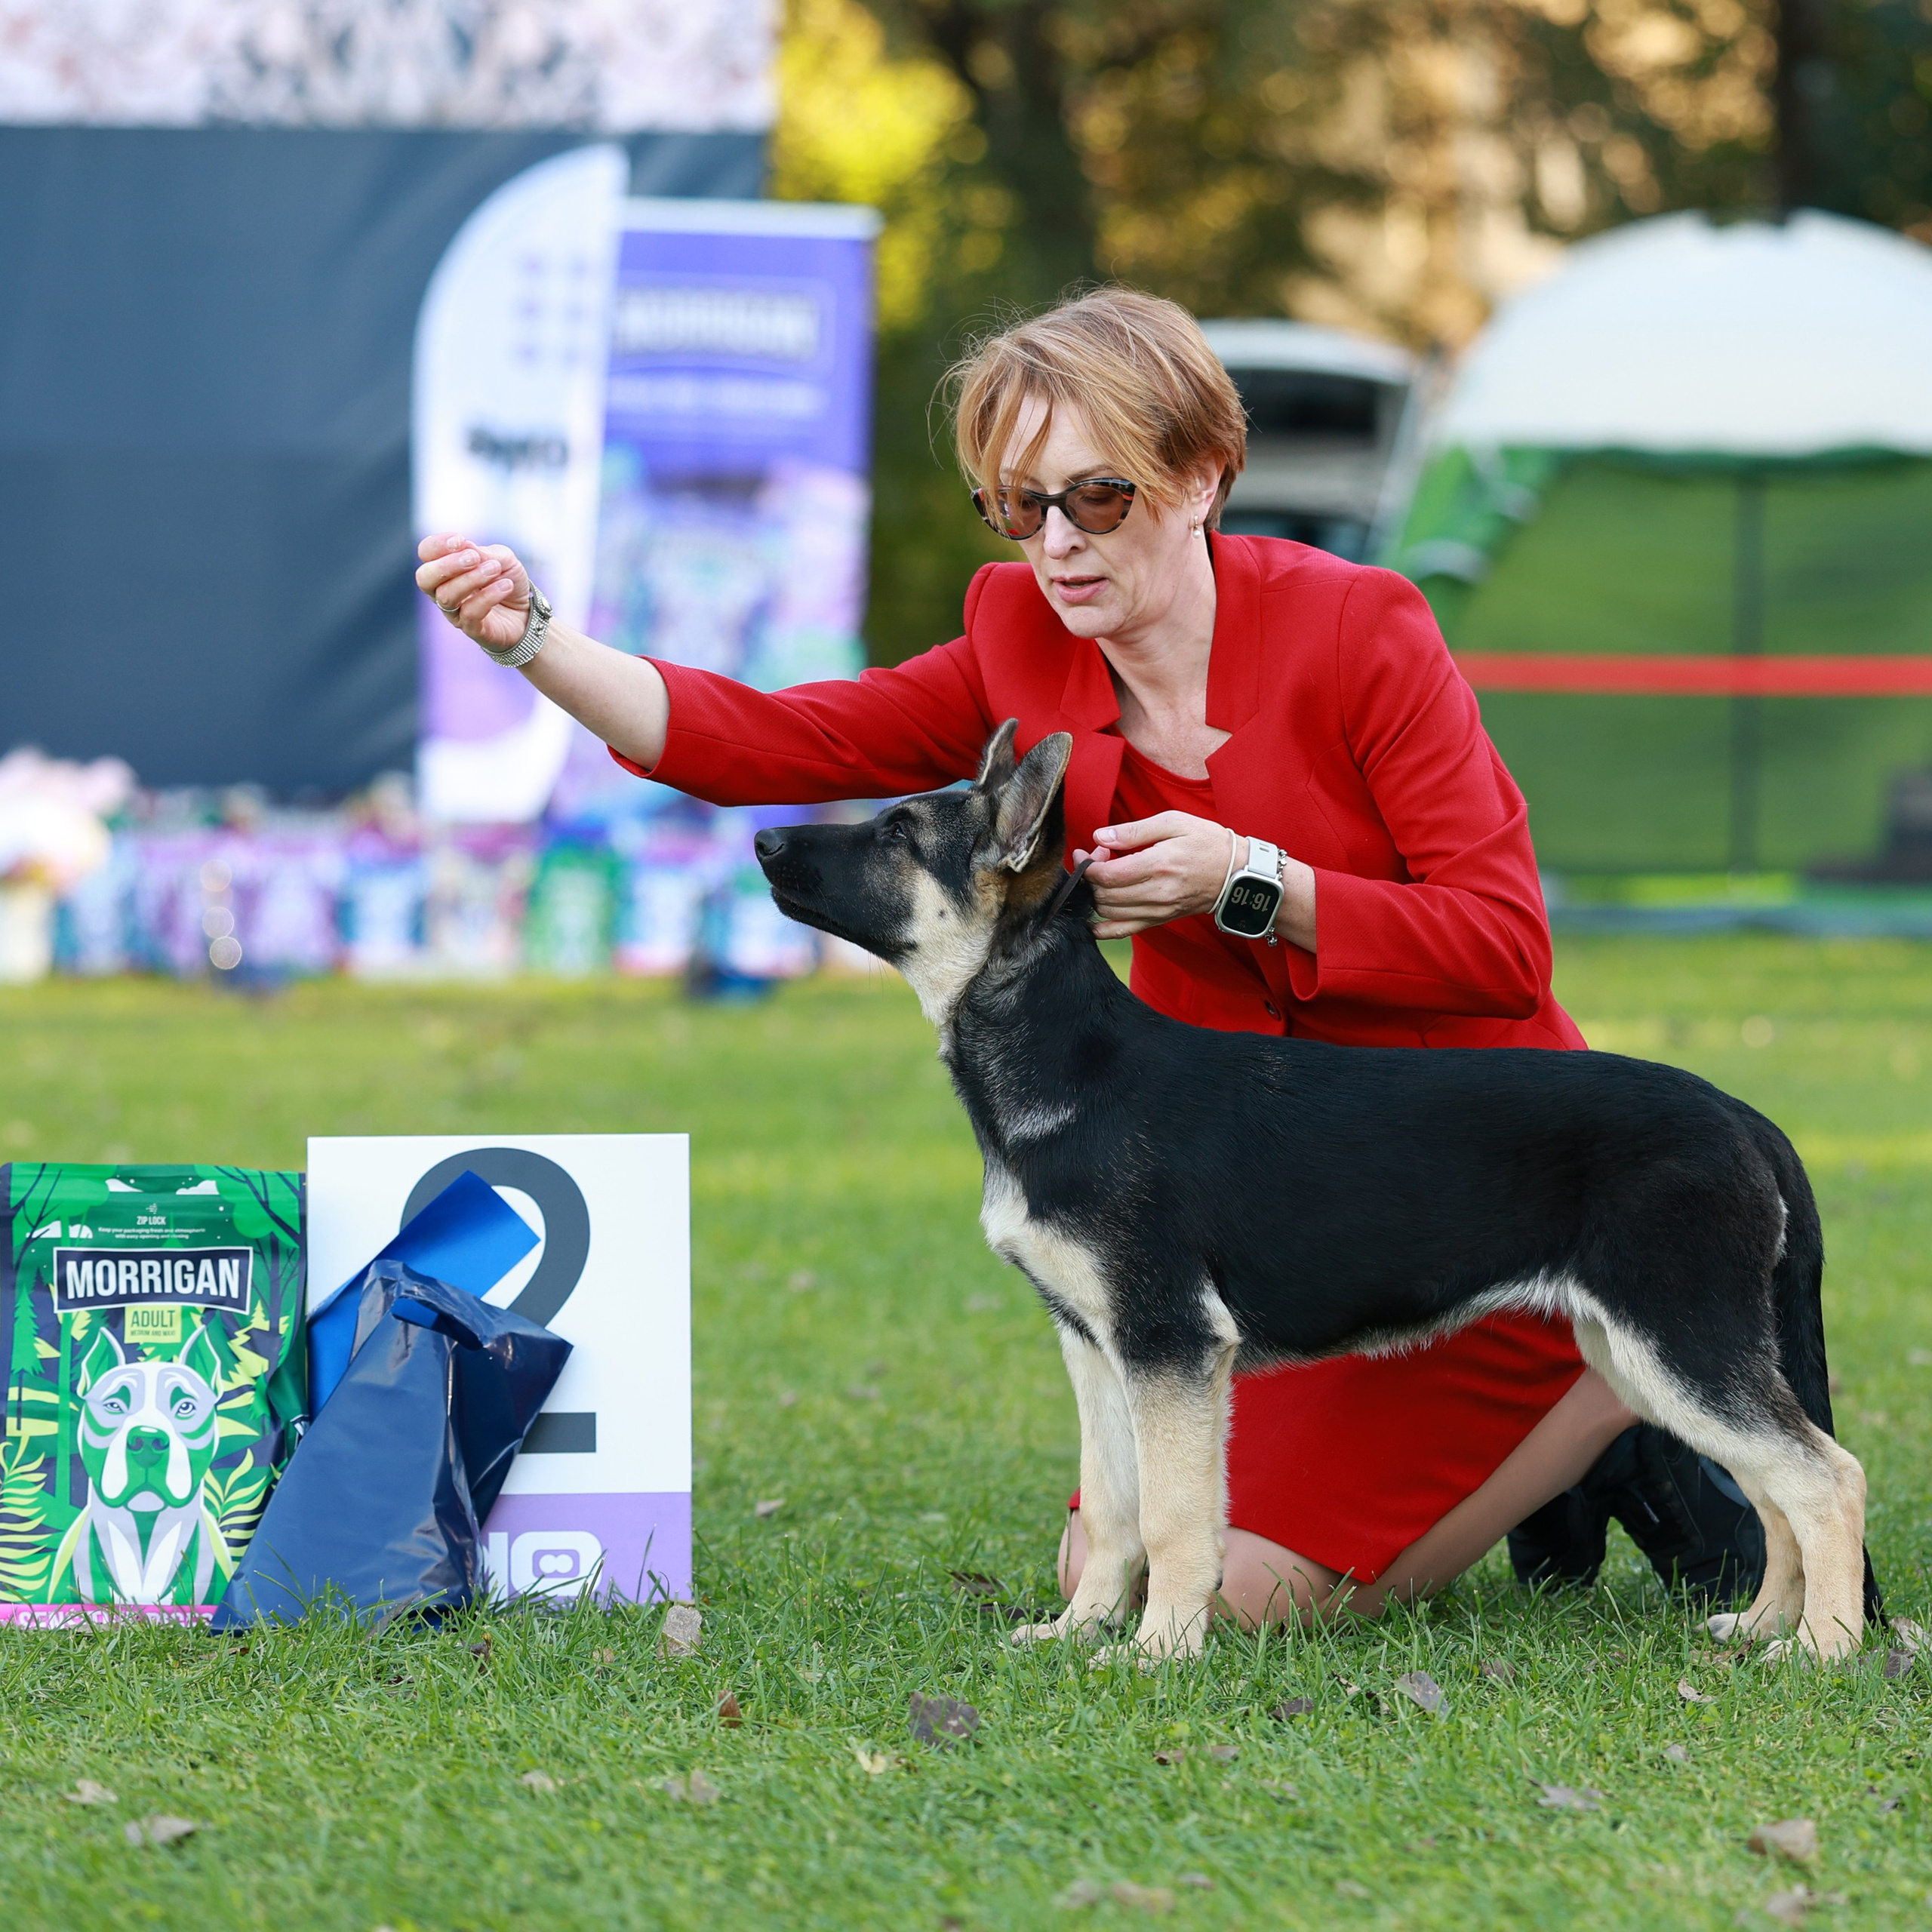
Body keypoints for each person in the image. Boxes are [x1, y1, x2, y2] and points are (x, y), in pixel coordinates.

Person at [415, 286, 1749, 1623]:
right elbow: (773, 742)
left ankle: (1602, 1376)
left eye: (1097, 498)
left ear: (1204, 475)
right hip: (1222, 1200)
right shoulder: (1017, 633)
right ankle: (1580, 1437)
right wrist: (531, 638)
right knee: (1112, 1576)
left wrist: (1252, 882)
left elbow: (1504, 947)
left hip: (1471, 1176)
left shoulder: (1362, 629)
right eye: (1019, 505)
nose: (1056, 544)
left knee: (1238, 1598)